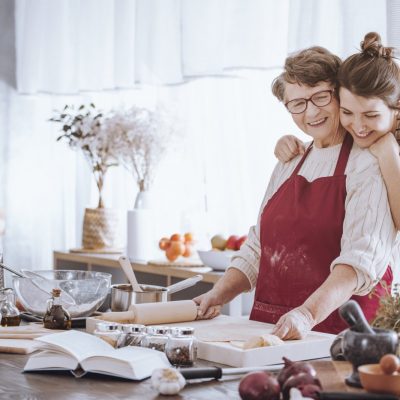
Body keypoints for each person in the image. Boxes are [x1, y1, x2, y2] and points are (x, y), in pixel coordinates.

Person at [194, 36, 397, 340]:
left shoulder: (369, 162)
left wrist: (307, 314)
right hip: (270, 331)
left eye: (321, 97)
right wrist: (218, 294)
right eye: (298, 103)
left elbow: (360, 261)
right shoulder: (290, 160)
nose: (311, 112)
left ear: (340, 93)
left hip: (337, 336)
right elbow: (257, 248)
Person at [274, 32, 400, 230]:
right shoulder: (295, 157)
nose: (358, 126)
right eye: (347, 112)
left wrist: (390, 155)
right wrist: (284, 141)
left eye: (371, 115)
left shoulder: (377, 155)